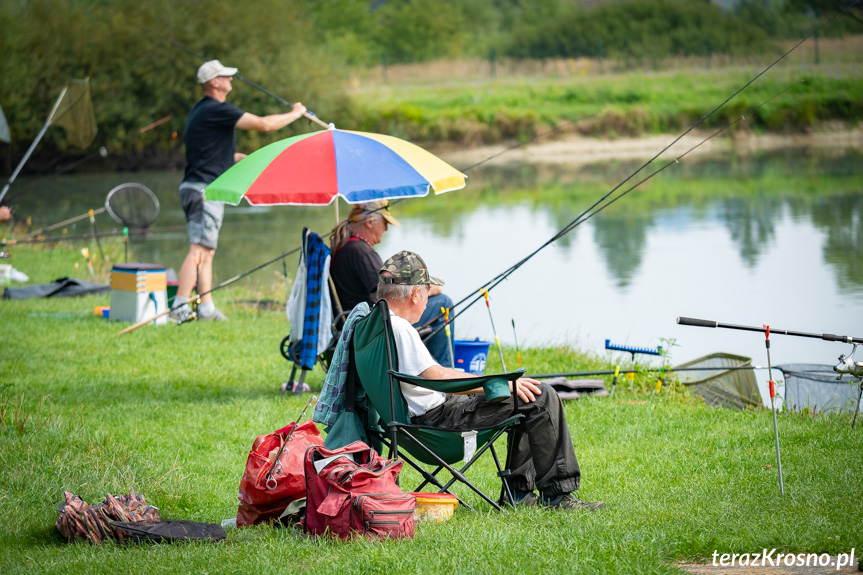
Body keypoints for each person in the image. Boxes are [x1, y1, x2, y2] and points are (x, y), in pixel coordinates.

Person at [376, 250, 604, 511]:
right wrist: (499, 383)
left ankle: (520, 495)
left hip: (410, 424)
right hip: (435, 426)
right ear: (415, 294)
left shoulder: (373, 322)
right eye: (427, 293)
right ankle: (558, 497)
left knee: (523, 395)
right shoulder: (401, 328)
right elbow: (435, 376)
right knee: (541, 396)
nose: (427, 302)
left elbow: (425, 374)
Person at [170, 60, 307, 322]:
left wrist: (241, 160)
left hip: (199, 188)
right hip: (202, 191)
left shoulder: (201, 111)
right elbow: (264, 125)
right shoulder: (215, 109)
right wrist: (296, 113)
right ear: (214, 82)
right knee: (199, 250)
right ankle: (179, 304)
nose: (231, 80)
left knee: (207, 250)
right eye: (226, 76)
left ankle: (206, 307)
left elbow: (210, 154)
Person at [329, 201, 456, 366]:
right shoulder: (361, 252)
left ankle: (427, 367)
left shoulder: (346, 247)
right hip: (373, 326)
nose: (387, 229)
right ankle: (442, 370)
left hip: (358, 322)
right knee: (443, 303)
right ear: (370, 222)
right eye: (385, 223)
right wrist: (427, 290)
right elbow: (390, 294)